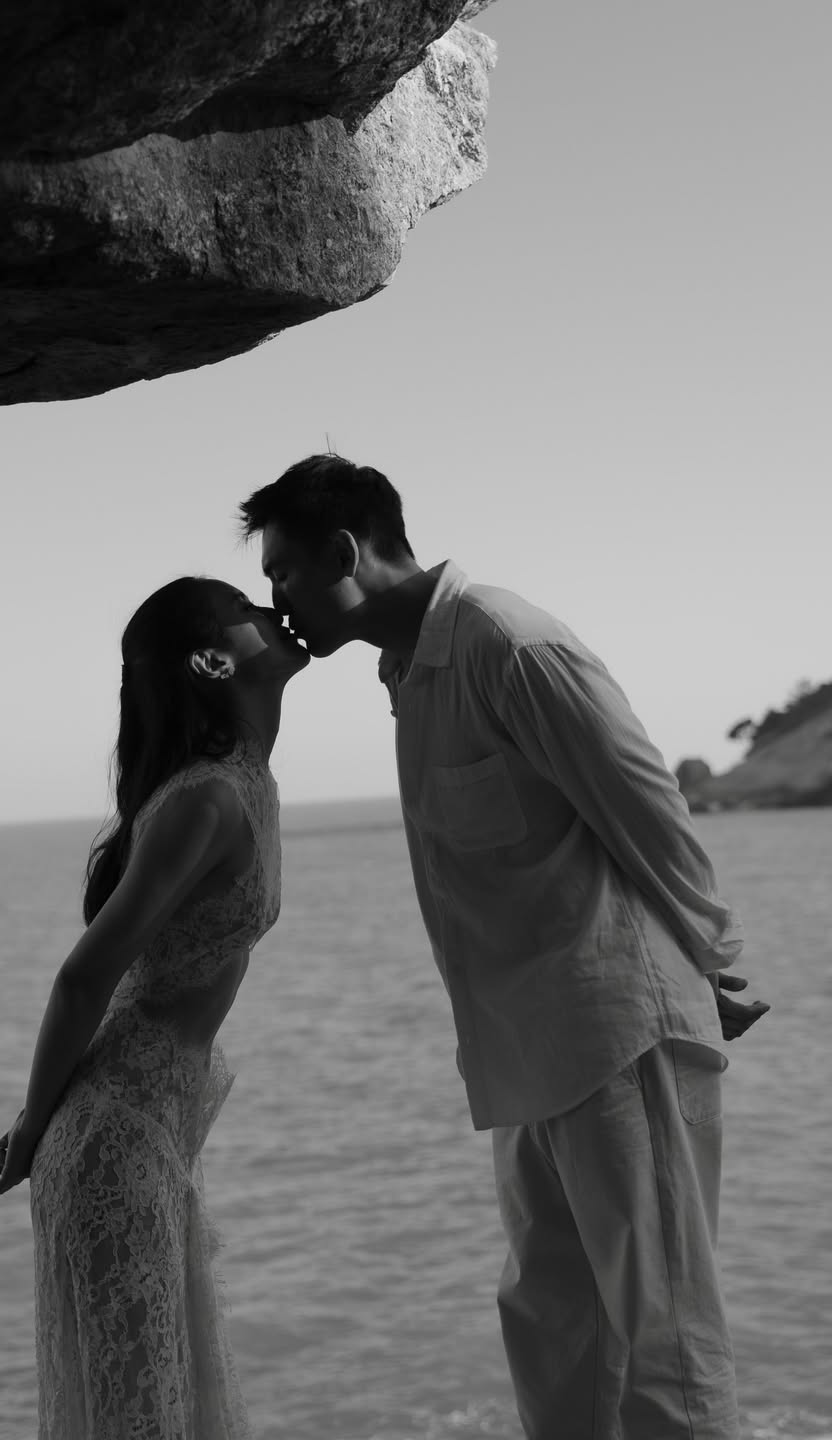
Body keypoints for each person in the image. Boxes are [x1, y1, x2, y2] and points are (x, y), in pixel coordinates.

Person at [238, 454, 770, 1440]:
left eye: (282, 572)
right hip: (525, 1052)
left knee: (664, 1346)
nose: (276, 601)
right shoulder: (409, 672)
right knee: (552, 1337)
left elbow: (647, 808)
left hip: (618, 1032)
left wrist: (710, 959)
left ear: (345, 552)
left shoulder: (509, 645)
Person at [0, 574, 310, 1440]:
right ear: (212, 661)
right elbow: (84, 978)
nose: (273, 611)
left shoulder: (240, 782)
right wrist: (31, 1130)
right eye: (248, 610)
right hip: (114, 1144)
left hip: (150, 1136)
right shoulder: (207, 800)